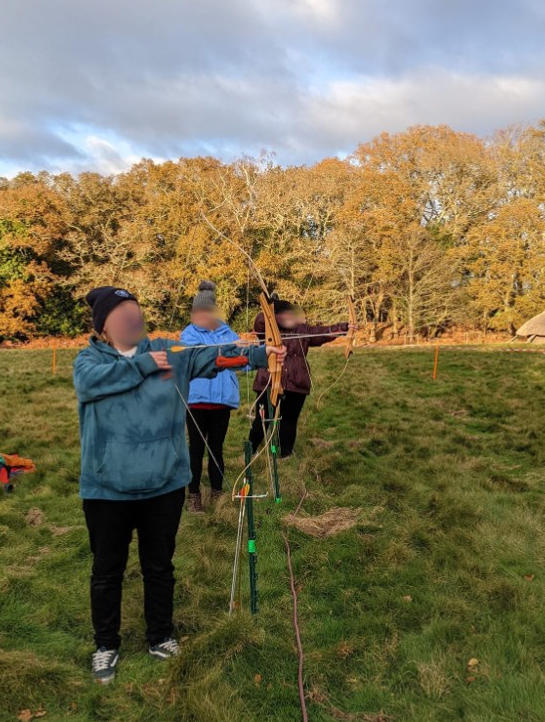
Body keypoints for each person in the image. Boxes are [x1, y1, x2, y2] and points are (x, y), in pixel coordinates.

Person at [73, 286, 285, 684]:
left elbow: (214, 356)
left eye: (135, 312)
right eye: (121, 314)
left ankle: (161, 635)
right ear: (103, 325)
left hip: (163, 486)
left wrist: (261, 354)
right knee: (106, 571)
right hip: (106, 490)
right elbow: (91, 385)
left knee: (159, 566)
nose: (131, 320)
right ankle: (106, 645)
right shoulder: (89, 360)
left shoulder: (171, 352)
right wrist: (142, 366)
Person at [248, 297, 350, 459]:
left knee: (289, 421)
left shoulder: (303, 329)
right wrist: (271, 313)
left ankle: (285, 454)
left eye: (290, 314)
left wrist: (345, 327)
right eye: (283, 314)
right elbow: (260, 322)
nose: (288, 318)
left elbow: (323, 333)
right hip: (269, 381)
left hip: (296, 383)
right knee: (264, 419)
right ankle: (250, 451)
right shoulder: (267, 328)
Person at [180, 280, 245, 512]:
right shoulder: (188, 335)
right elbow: (201, 357)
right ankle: (194, 496)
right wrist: (230, 350)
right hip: (197, 401)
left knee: (216, 448)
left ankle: (217, 493)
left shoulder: (228, 333)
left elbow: (242, 363)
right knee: (196, 449)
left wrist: (254, 352)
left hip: (221, 402)